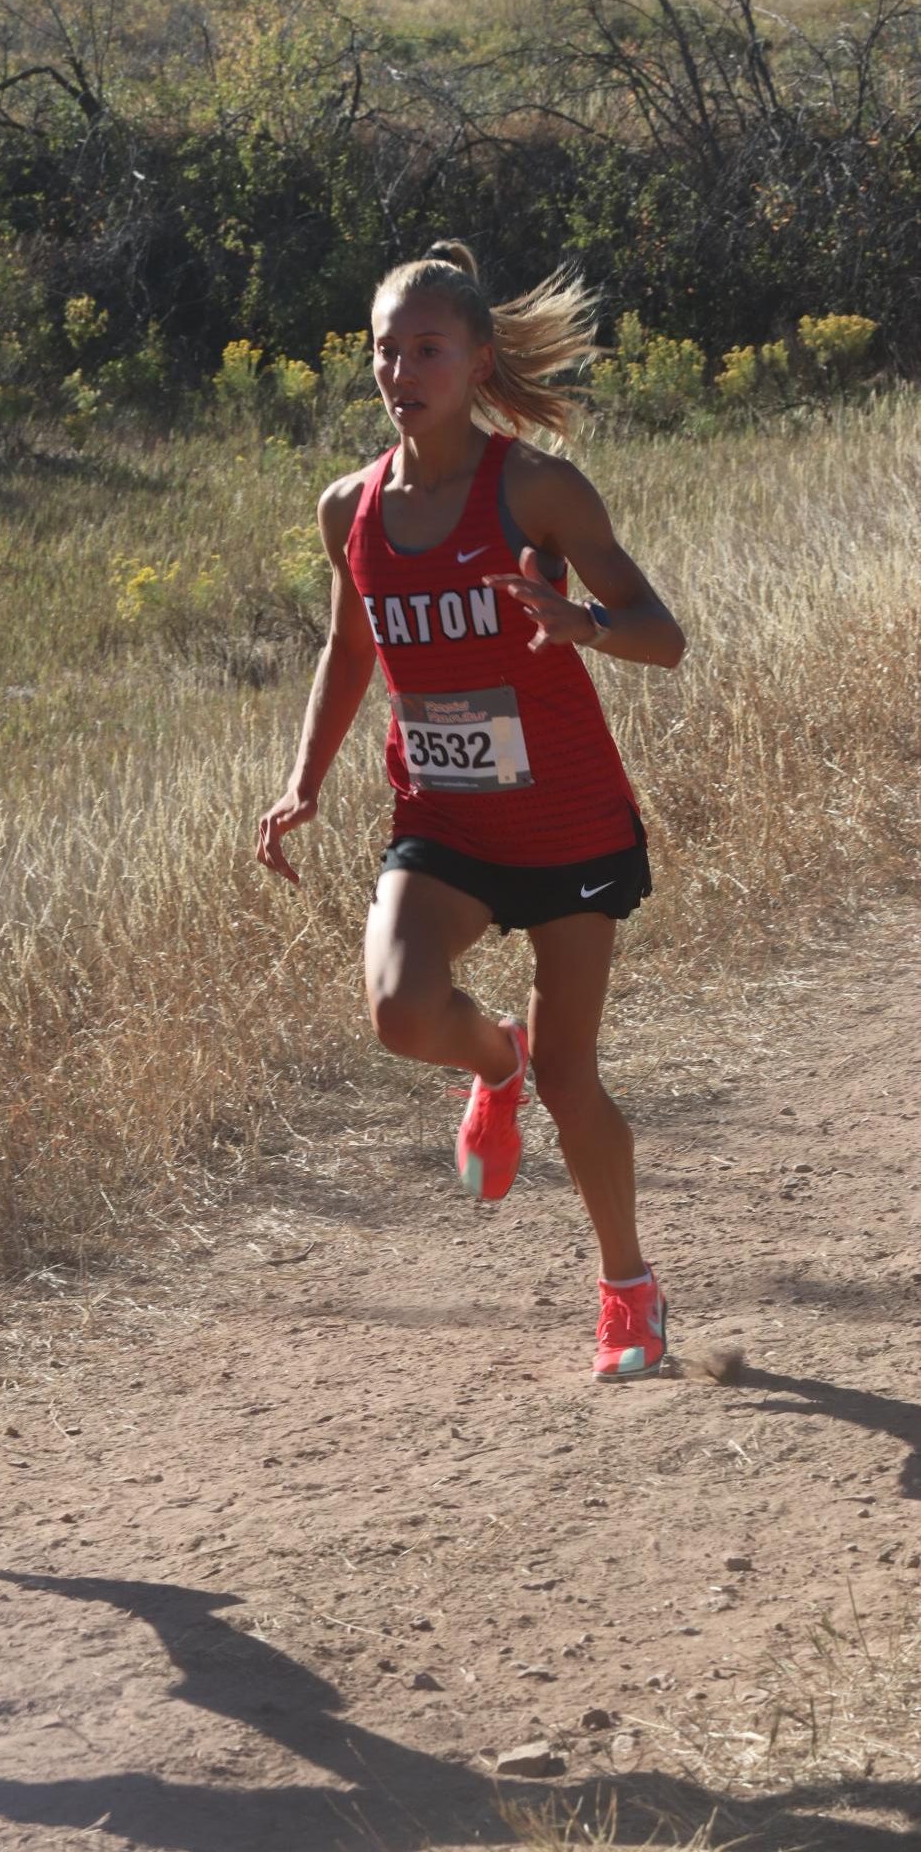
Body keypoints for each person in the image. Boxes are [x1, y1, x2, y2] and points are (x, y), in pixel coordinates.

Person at [258, 241, 685, 1380]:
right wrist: (303, 781)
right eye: (384, 352)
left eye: (427, 350)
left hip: (569, 827)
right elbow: (349, 647)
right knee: (399, 1012)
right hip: (442, 821)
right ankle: (490, 1062)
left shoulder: (533, 490)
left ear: (476, 361)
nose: (402, 372)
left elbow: (662, 635)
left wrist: (578, 624)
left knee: (573, 1081)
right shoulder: (346, 505)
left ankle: (626, 1290)